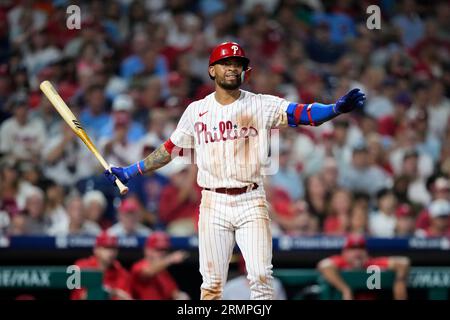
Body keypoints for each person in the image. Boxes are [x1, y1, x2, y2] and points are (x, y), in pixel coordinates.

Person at [104, 42, 366, 300]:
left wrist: (335, 109)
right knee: (212, 285)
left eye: (237, 64)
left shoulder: (262, 104)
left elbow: (305, 113)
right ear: (212, 71)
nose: (231, 68)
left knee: (262, 279)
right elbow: (169, 150)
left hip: (251, 199)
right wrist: (130, 171)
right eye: (225, 63)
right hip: (213, 201)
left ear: (244, 71)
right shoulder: (196, 111)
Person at [317, 235, 410, 300]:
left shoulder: (371, 263)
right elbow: (324, 265)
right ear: (344, 253)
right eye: (352, 249)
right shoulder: (341, 262)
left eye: (361, 248)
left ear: (366, 252)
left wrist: (400, 281)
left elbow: (403, 262)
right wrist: (345, 289)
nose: (357, 253)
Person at [70, 232, 132, 300]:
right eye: (106, 248)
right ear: (96, 249)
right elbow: (84, 297)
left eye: (113, 248)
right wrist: (113, 292)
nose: (111, 252)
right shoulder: (81, 267)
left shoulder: (122, 273)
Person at [130, 231, 190, 300]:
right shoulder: (138, 266)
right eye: (158, 249)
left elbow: (174, 292)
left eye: (165, 249)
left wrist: (180, 296)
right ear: (147, 250)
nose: (163, 253)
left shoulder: (163, 272)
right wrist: (170, 259)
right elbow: (148, 272)